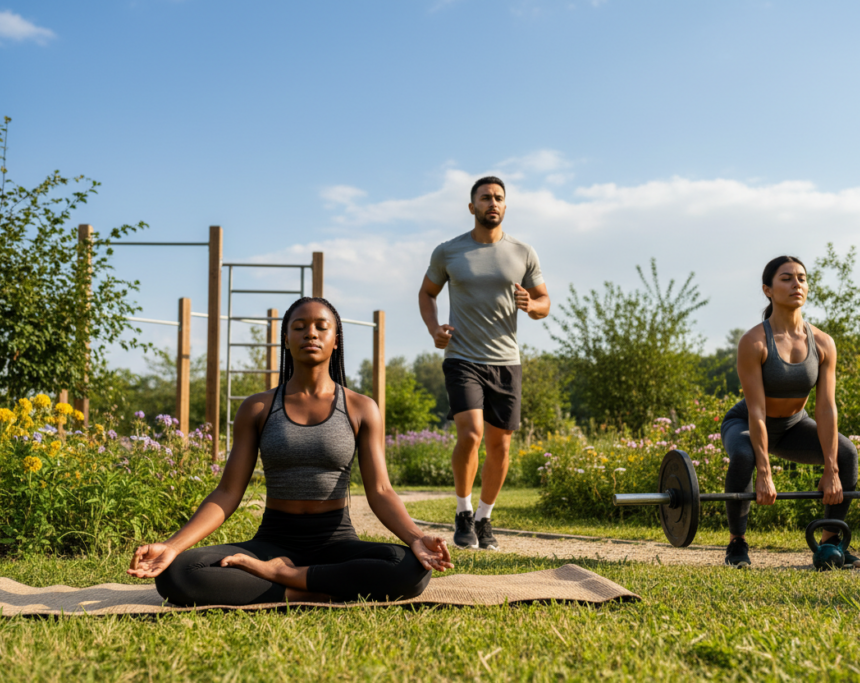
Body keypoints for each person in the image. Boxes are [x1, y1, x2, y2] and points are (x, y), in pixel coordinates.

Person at [128, 297, 453, 605]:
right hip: (273, 542)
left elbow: (381, 490)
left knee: (409, 568)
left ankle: (284, 578)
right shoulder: (257, 408)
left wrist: (415, 537)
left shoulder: (360, 407)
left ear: (335, 339)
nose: (310, 332)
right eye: (299, 326)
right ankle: (319, 588)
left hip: (336, 541)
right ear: (286, 339)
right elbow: (227, 491)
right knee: (179, 573)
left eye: (320, 326)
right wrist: (171, 546)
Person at [418, 176, 550, 551]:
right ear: (471, 206)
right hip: (462, 356)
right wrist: (434, 329)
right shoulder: (448, 252)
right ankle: (463, 511)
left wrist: (532, 305)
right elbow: (427, 294)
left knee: (501, 446)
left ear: (505, 207)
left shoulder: (523, 253)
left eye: (498, 198)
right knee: (471, 433)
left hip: (507, 361)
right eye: (485, 198)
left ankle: (484, 517)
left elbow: (544, 303)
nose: (492, 203)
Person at [721, 256, 860, 569]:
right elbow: (756, 410)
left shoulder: (823, 342)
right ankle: (737, 544)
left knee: (847, 453)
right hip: (746, 422)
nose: (796, 284)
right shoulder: (754, 341)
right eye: (786, 278)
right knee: (744, 456)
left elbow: (825, 408)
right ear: (768, 290)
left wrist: (831, 469)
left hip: (795, 424)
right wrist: (764, 472)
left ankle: (830, 542)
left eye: (801, 278)